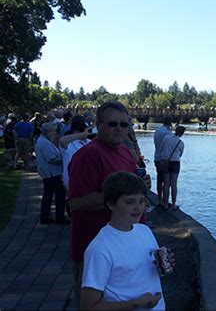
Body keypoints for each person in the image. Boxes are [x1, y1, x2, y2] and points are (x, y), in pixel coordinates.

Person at [68, 101, 151, 307]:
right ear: (99, 125)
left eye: (125, 124)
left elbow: (130, 189)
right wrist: (119, 195)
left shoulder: (123, 152)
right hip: (96, 246)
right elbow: (76, 203)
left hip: (127, 246)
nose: (119, 129)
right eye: (113, 124)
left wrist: (140, 187)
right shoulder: (88, 155)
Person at [81, 171, 165, 310]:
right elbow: (88, 307)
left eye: (141, 200)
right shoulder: (100, 249)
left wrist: (162, 265)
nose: (138, 207)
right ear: (111, 204)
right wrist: (136, 304)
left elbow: (143, 271)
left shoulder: (144, 231)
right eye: (130, 202)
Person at [35, 122, 68, 224]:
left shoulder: (44, 141)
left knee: (48, 195)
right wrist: (64, 159)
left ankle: (45, 217)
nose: (55, 133)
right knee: (60, 195)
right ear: (47, 132)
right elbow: (51, 159)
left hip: (49, 173)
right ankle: (60, 217)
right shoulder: (45, 143)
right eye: (53, 131)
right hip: (51, 173)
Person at [159, 125, 185, 210]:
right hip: (175, 162)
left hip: (165, 161)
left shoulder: (166, 138)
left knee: (166, 183)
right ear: (182, 133)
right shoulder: (181, 143)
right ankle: (173, 204)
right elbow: (180, 154)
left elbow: (162, 148)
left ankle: (165, 204)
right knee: (174, 184)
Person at [153, 116, 173, 205]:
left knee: (159, 179)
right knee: (166, 181)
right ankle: (165, 201)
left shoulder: (157, 131)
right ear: (170, 123)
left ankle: (158, 199)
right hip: (165, 159)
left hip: (157, 157)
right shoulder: (168, 133)